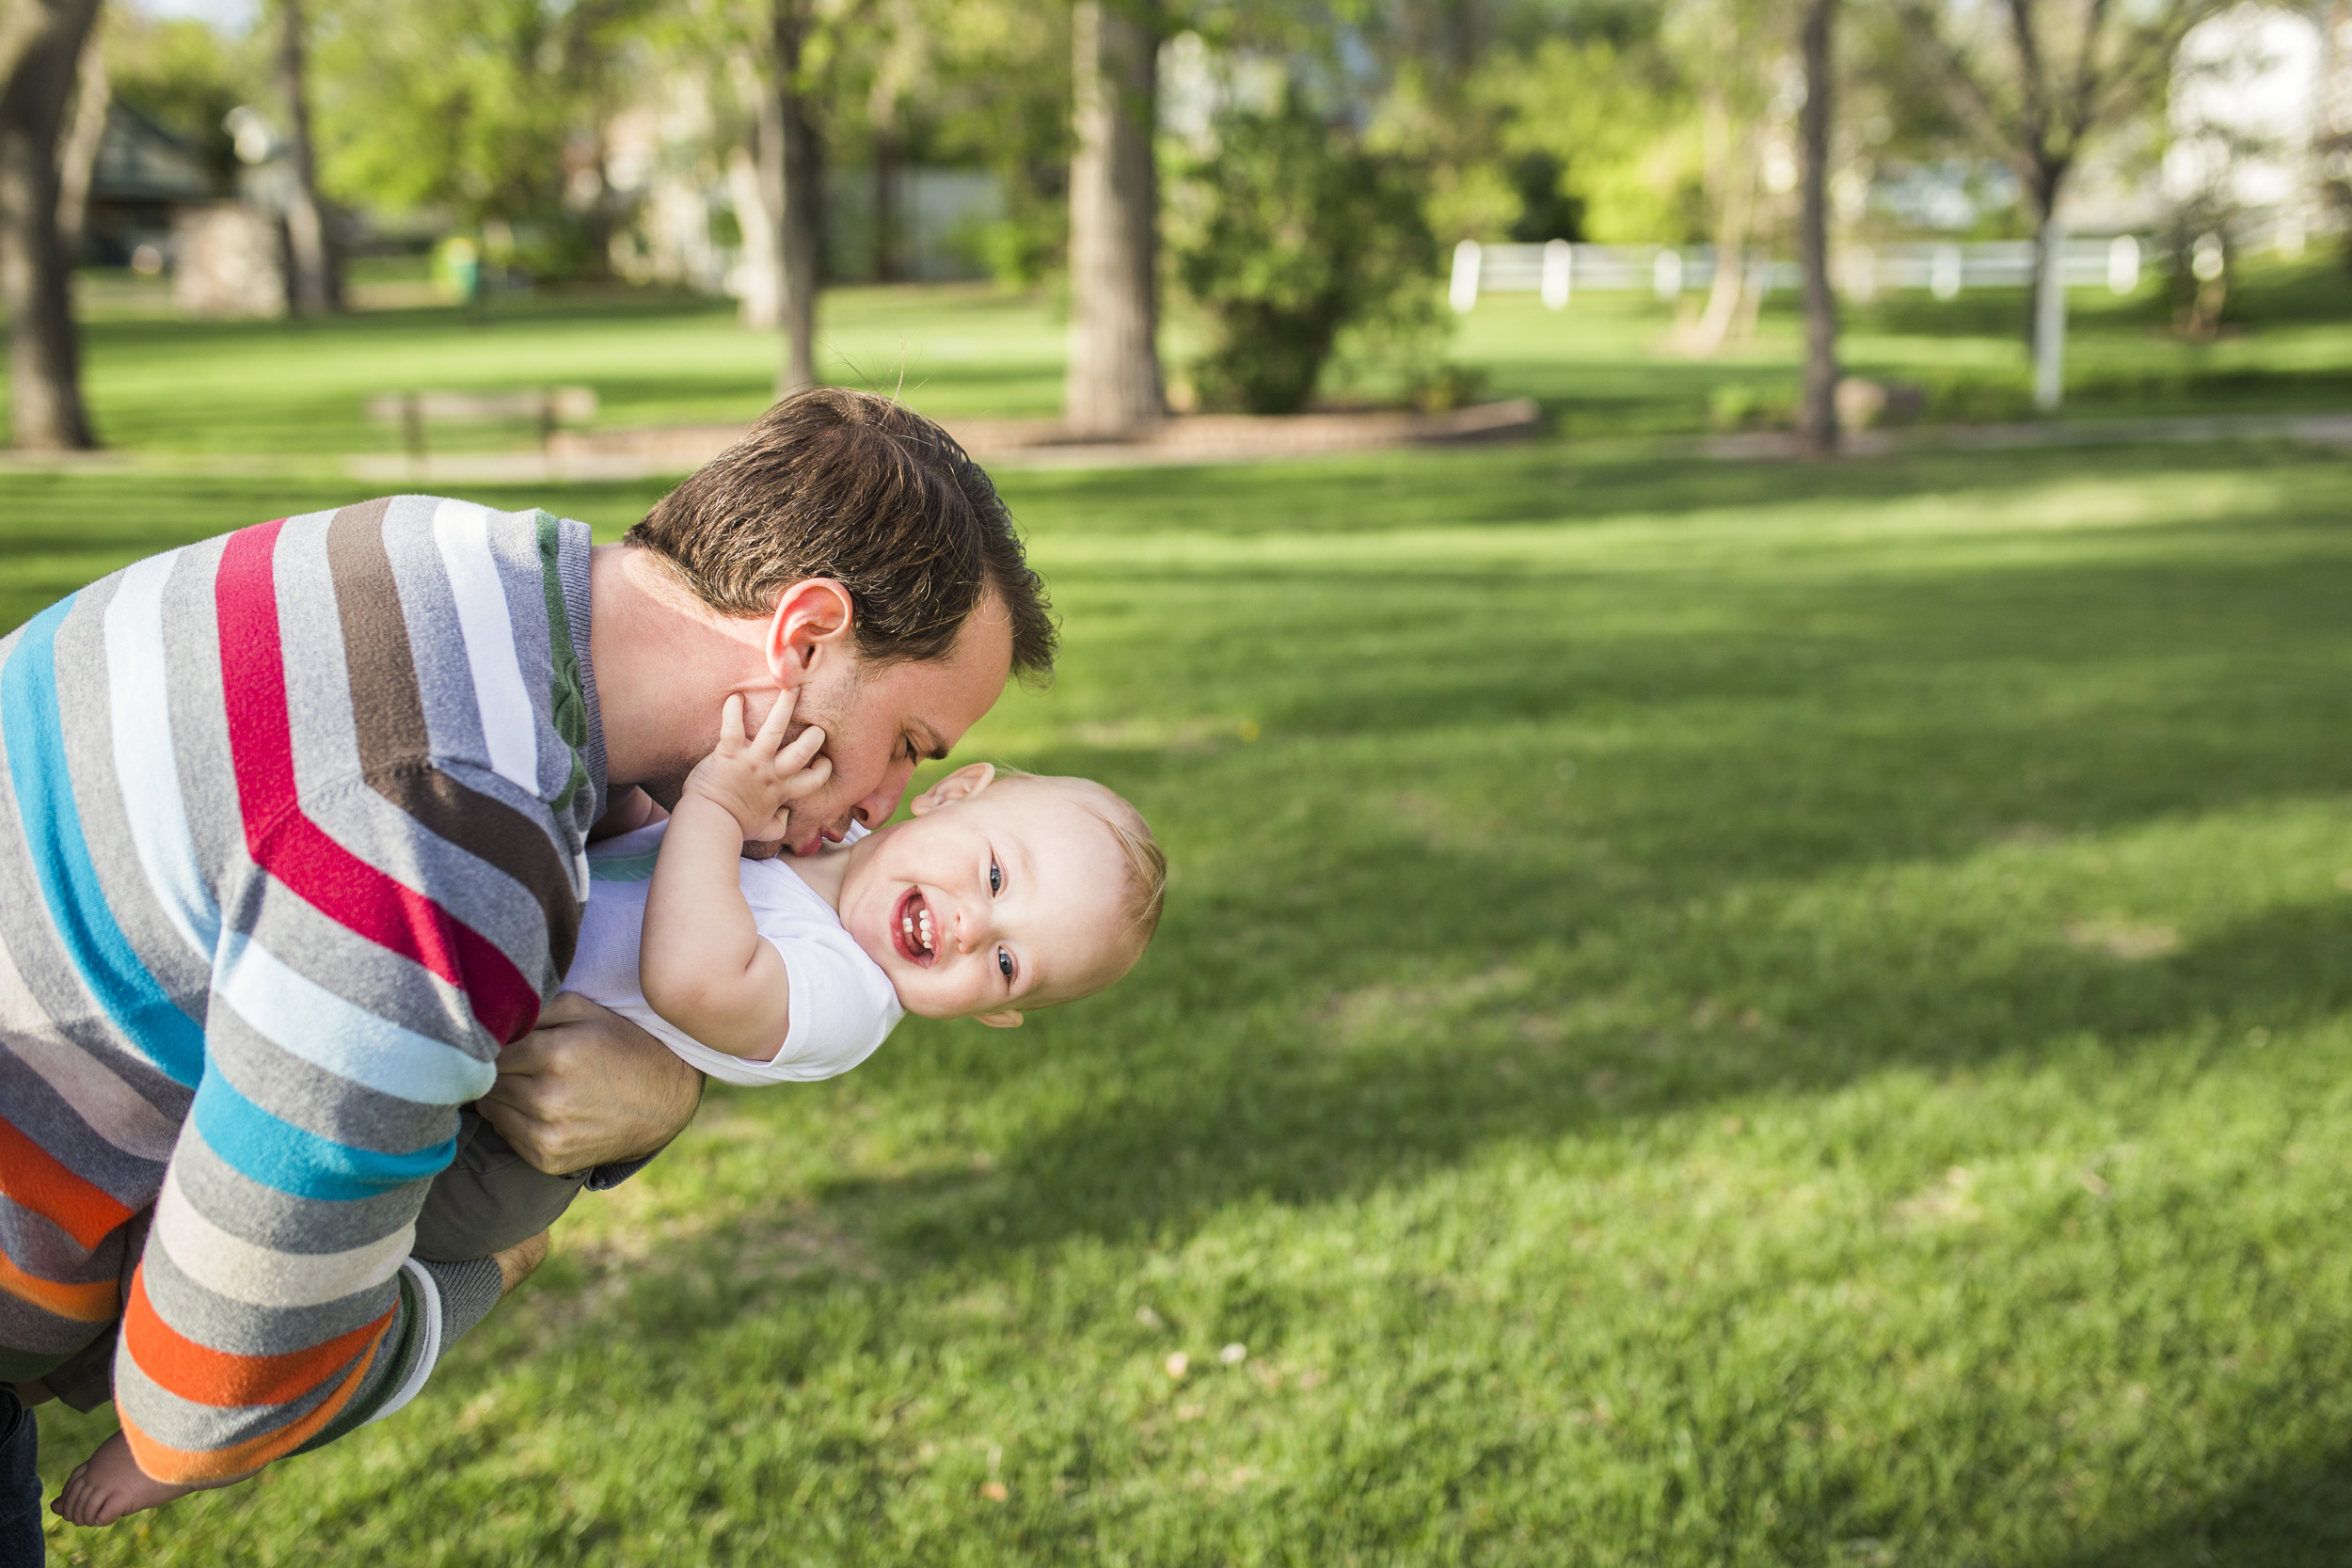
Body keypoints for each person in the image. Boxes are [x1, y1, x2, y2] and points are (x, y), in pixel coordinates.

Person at [0, 387, 1056, 1561]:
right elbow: (209, 1394)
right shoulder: (453, 840)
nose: (878, 808)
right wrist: (491, 1273)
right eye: (906, 745)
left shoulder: (440, 559)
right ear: (803, 634)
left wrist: (660, 1090)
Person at [51, 691, 1166, 1528]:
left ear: (996, 1013)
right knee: (221, 1193)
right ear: (955, 791)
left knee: (293, 1253)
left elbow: (689, 977)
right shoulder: (820, 848)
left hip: (499, 1154)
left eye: (1011, 962)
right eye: (997, 877)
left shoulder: (848, 997)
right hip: (493, 1042)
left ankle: (200, 1435)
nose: (971, 926)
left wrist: (724, 807)